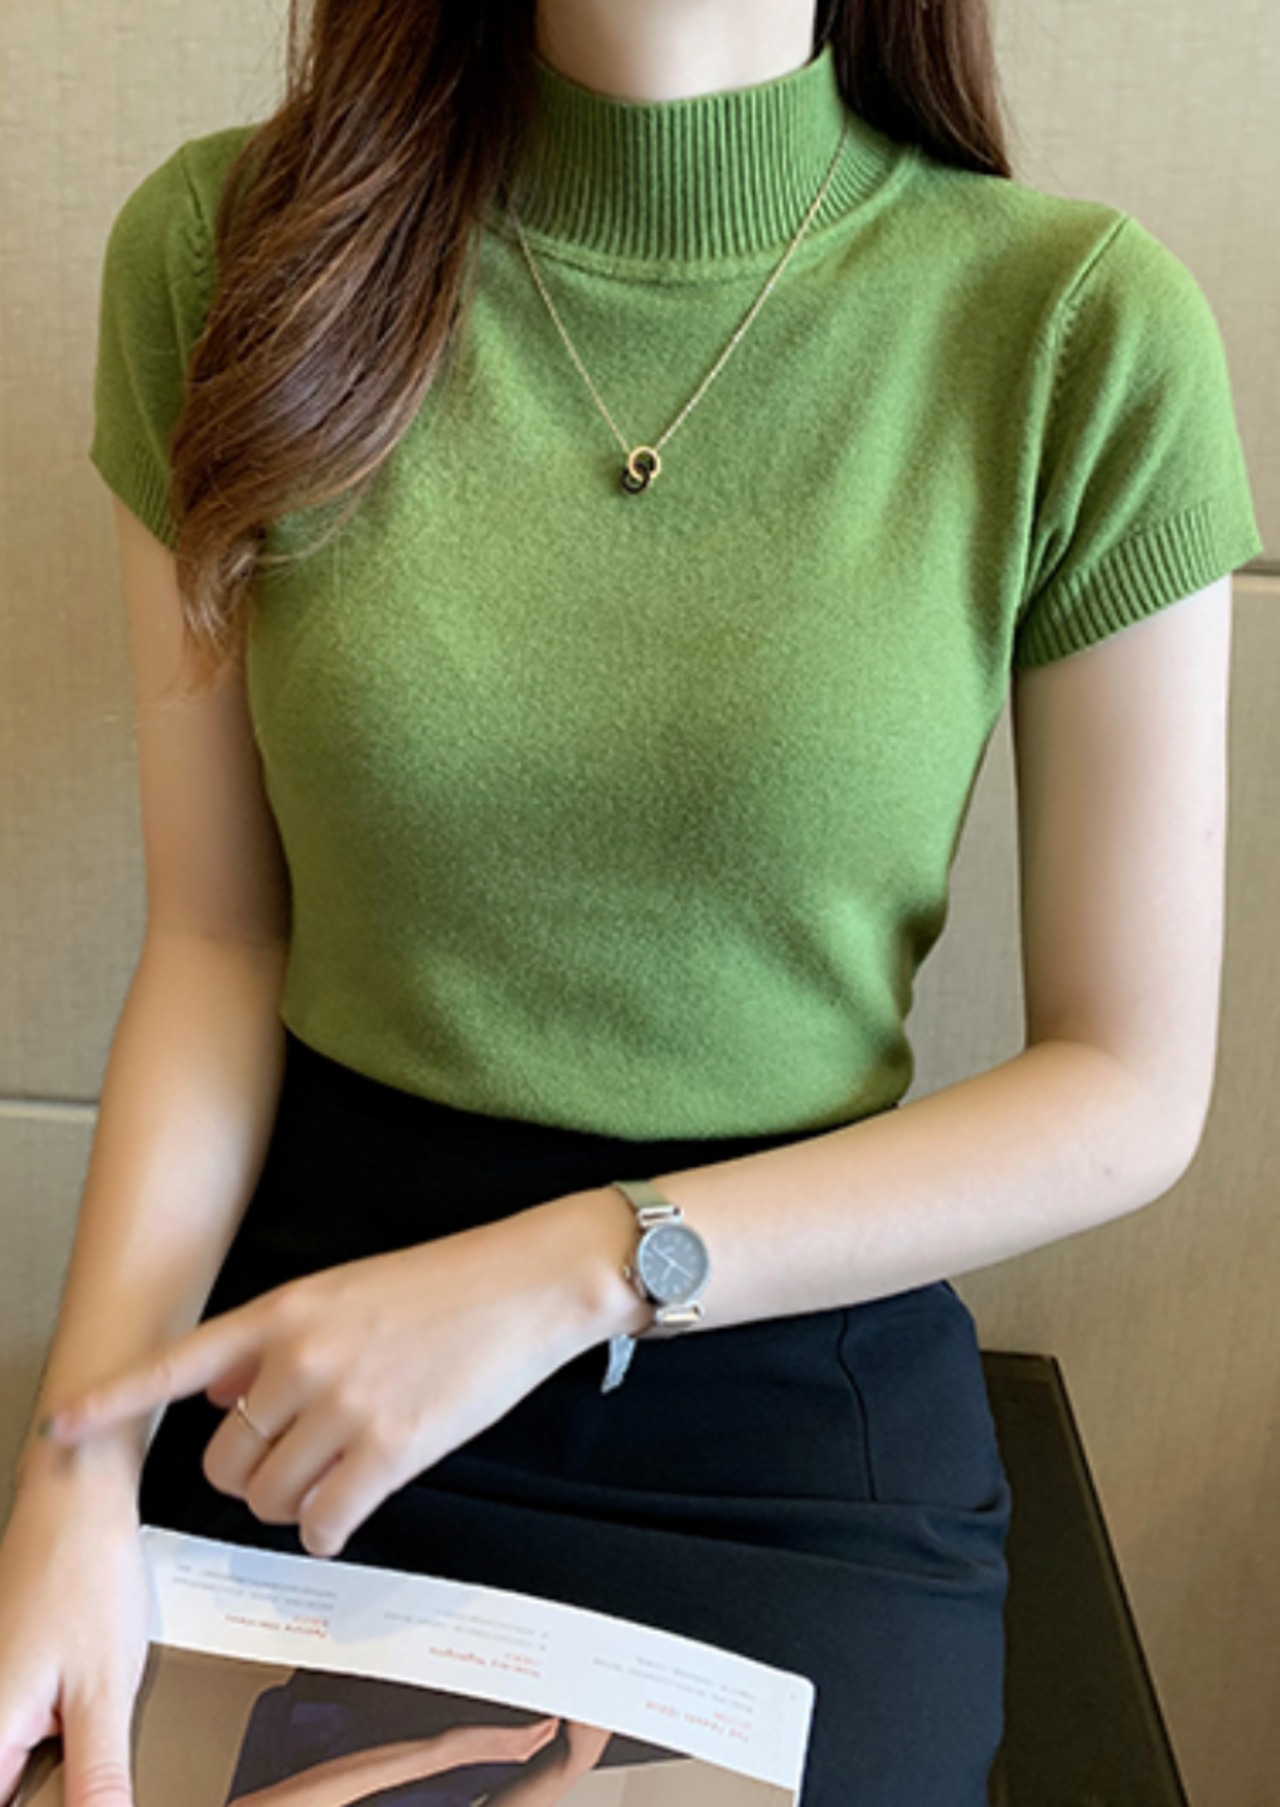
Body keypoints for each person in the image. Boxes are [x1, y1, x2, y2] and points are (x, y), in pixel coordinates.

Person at [0, 2, 1263, 1805]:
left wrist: (577, 1271)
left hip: (776, 1405)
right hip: (307, 1372)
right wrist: (74, 1469)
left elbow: (1128, 1086)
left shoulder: (1075, 328)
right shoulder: (226, 254)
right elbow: (217, 937)